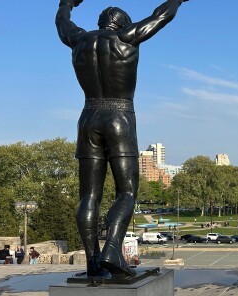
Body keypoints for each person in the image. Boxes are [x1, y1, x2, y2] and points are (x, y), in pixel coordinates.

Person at [56, 0, 187, 277]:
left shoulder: (79, 39)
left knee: (89, 195)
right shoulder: (126, 37)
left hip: (88, 117)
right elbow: (160, 16)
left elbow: (62, 23)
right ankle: (112, 249)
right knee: (126, 191)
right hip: (120, 117)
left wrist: (66, 3)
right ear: (123, 24)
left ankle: (93, 262)